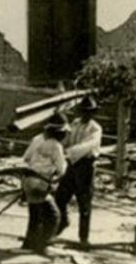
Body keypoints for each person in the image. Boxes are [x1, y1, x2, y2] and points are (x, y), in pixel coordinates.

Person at [54, 95, 103, 248]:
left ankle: (83, 238)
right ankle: (62, 221)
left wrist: (68, 152)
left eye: (89, 112)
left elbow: (86, 146)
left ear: (93, 113)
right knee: (60, 197)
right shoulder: (74, 124)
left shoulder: (95, 128)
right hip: (71, 165)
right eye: (83, 111)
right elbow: (66, 139)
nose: (86, 114)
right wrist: (57, 148)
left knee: (84, 204)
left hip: (85, 165)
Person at [21, 113, 68, 253]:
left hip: (28, 180)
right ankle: (42, 244)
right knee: (54, 216)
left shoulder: (37, 139)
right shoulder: (56, 146)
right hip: (40, 183)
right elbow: (61, 170)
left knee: (35, 215)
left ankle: (29, 244)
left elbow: (26, 157)